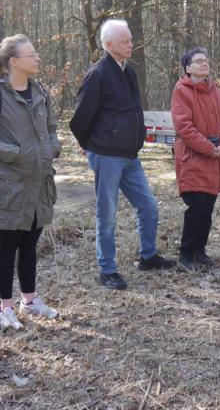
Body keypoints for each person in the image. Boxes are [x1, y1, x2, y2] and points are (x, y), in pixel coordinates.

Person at [69, 19, 174, 290]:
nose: (131, 45)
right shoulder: (98, 74)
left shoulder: (128, 72)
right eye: (125, 41)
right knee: (107, 215)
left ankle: (147, 256)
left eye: (130, 40)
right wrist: (89, 143)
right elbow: (80, 118)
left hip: (130, 156)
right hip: (106, 156)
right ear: (108, 44)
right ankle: (107, 270)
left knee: (148, 206)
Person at [0, 34, 62, 329]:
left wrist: (52, 148)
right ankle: (5, 307)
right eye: (31, 54)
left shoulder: (40, 91)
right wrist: (13, 153)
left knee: (30, 244)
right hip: (9, 185)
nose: (37, 58)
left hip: (39, 182)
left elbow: (51, 128)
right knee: (8, 245)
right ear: (13, 61)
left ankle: (30, 300)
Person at [170, 48, 220, 271]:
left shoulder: (216, 92)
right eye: (198, 61)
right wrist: (209, 148)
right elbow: (184, 127)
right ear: (188, 68)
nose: (204, 63)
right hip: (193, 158)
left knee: (207, 209)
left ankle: (199, 250)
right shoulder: (181, 91)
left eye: (206, 60)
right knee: (196, 208)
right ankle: (186, 255)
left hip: (215, 159)